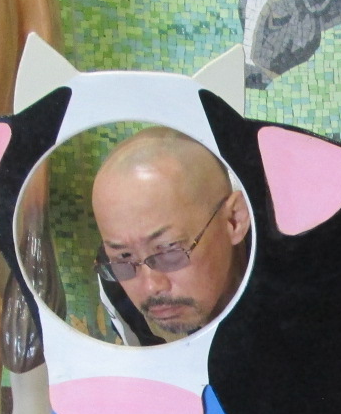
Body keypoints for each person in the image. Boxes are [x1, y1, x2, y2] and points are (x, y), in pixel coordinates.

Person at [90, 126, 251, 344]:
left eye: (168, 250)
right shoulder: (117, 284)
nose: (151, 287)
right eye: (124, 256)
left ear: (234, 220)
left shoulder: (290, 283)